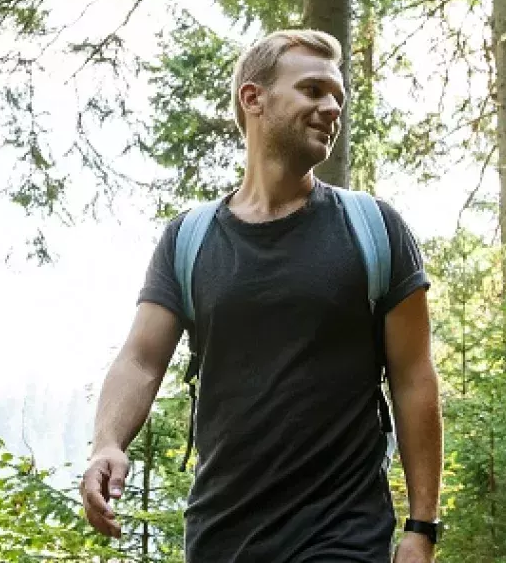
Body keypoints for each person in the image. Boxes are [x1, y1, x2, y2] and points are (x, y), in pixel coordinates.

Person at [79, 29, 445, 562]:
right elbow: (141, 358)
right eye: (313, 90)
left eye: (337, 98)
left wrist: (422, 527)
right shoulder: (190, 238)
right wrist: (107, 443)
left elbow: (415, 379)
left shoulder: (373, 229)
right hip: (221, 535)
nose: (330, 108)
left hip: (341, 535)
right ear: (254, 98)